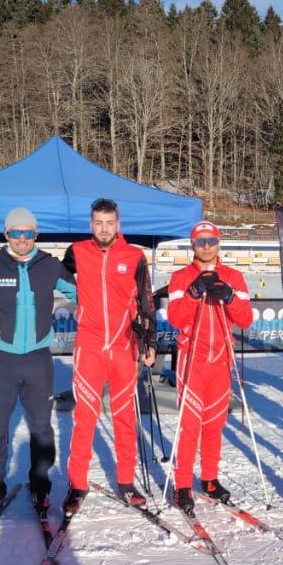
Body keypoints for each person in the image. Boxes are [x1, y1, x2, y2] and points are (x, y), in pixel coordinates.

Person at [0, 206, 77, 518]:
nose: (22, 238)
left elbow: (83, 295)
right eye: (16, 232)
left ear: (36, 234)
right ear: (6, 234)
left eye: (28, 232)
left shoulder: (50, 266)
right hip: (2, 360)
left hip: (38, 359)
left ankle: (40, 484)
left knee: (42, 428)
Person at [60, 198, 157, 515]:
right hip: (89, 345)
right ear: (91, 224)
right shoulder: (77, 252)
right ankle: (77, 484)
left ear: (118, 224)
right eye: (99, 223)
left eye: (109, 223)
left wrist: (150, 342)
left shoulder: (134, 256)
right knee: (84, 417)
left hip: (123, 345)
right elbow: (56, 275)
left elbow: (146, 302)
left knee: (125, 417)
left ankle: (126, 482)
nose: (104, 229)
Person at [164, 221, 253, 514]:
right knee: (190, 426)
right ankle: (182, 485)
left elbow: (245, 320)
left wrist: (229, 297)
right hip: (192, 359)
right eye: (200, 241)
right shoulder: (180, 277)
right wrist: (192, 294)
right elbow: (176, 320)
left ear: (218, 243)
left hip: (221, 360)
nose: (206, 246)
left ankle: (210, 479)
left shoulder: (234, 277)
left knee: (214, 424)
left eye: (211, 240)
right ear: (192, 244)